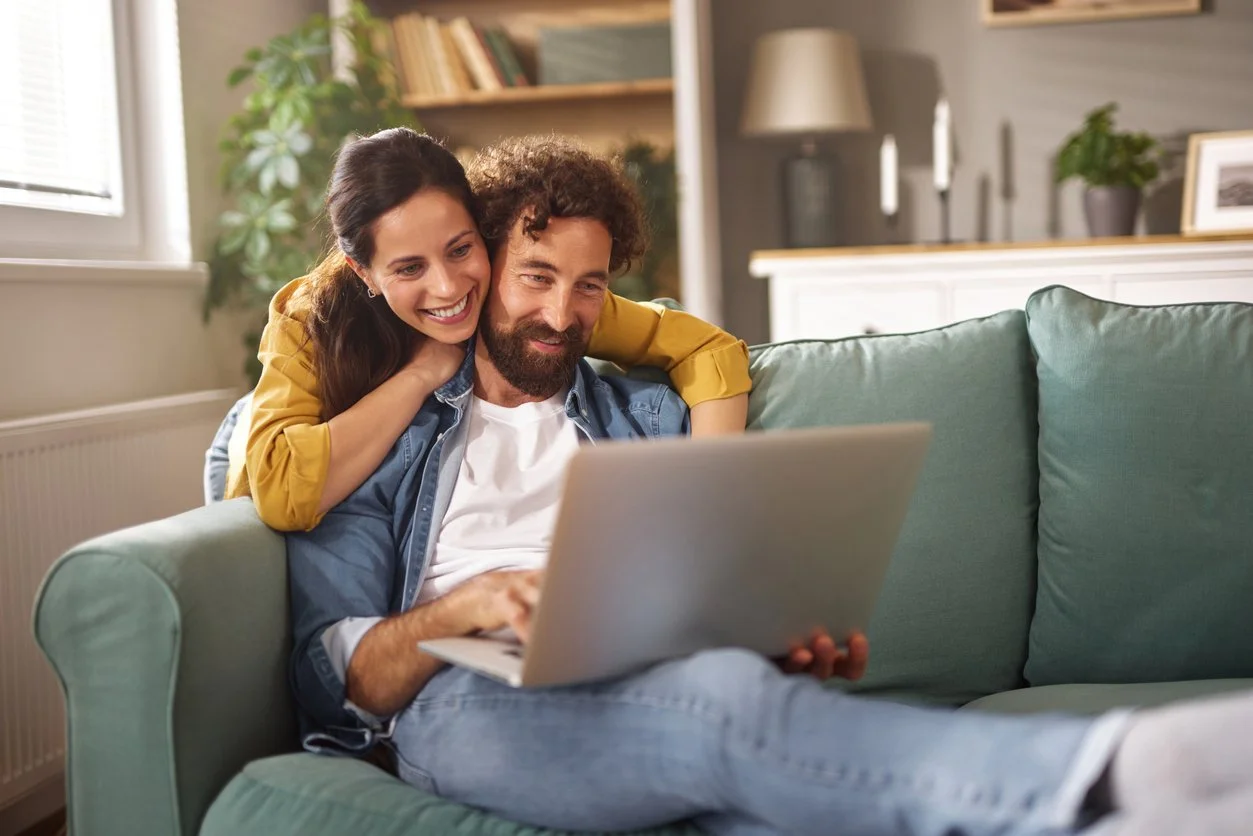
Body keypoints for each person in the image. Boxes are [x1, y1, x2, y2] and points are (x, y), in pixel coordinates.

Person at [287, 137, 1253, 836]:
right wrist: (466, 606)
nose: (562, 312)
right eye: (536, 276)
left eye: (588, 287)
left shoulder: (643, 415)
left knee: (740, 718)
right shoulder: (383, 437)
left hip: (655, 682)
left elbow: (694, 592)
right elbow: (348, 681)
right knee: (725, 713)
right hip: (465, 700)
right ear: (488, 264)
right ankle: (1114, 770)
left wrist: (767, 636)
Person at [217, 128, 752, 532]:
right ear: (366, 273)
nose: (449, 288)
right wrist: (423, 371)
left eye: (460, 249)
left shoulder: (531, 302)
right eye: (409, 268)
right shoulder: (312, 318)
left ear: (486, 236)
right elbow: (280, 493)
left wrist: (704, 486)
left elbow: (709, 350)